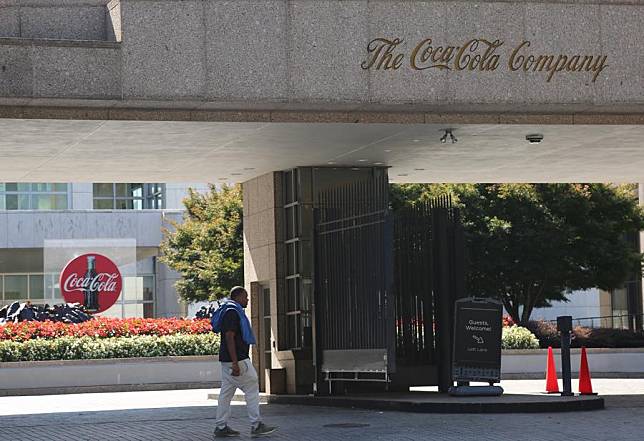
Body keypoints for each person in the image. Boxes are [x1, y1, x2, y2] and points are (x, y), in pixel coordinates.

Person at [212, 286, 278, 438]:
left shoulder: (230, 310)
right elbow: (229, 337)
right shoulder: (232, 313)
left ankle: (221, 426)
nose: (248, 300)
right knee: (252, 386)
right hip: (238, 359)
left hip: (226, 360)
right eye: (245, 297)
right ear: (238, 297)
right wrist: (235, 362)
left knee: (226, 394)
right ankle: (256, 425)